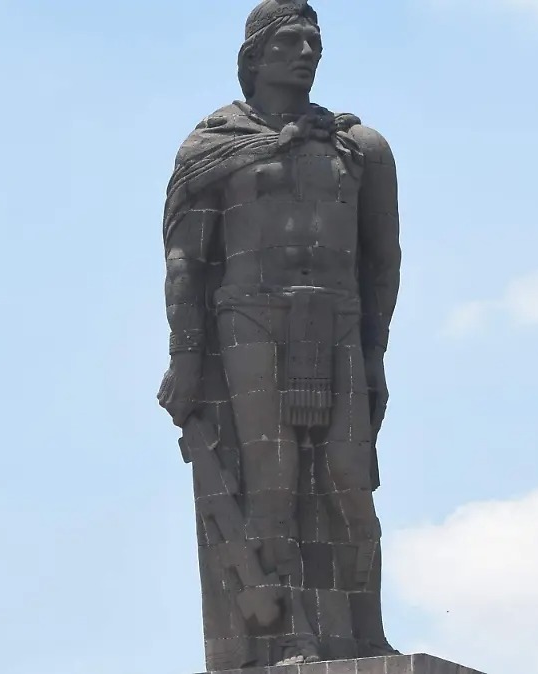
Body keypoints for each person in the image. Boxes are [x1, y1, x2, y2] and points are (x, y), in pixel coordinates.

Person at [157, 0, 402, 668]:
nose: (307, 53)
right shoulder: (215, 147)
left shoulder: (359, 147)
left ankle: (365, 633)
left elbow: (383, 261)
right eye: (292, 41)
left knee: (352, 481)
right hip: (250, 320)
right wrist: (184, 358)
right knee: (270, 481)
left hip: (338, 324)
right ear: (257, 55)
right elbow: (186, 261)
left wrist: (375, 354)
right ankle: (288, 637)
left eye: (314, 43)